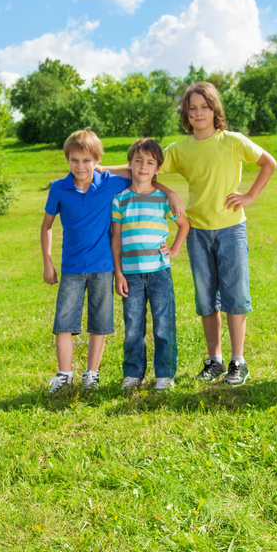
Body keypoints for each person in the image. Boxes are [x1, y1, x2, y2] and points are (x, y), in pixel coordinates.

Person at [40, 129, 182, 395]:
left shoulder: (109, 182)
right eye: (74, 160)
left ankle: (91, 375)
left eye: (87, 161)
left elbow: (141, 174)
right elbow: (46, 226)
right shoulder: (59, 188)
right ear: (67, 159)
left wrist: (169, 192)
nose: (80, 166)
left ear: (96, 161)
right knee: (64, 323)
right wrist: (48, 261)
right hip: (72, 267)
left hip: (105, 267)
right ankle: (65, 375)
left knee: (101, 323)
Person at [163, 81, 277, 386]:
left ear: (215, 109)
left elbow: (269, 162)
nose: (199, 113)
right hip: (197, 231)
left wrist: (250, 196)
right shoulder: (179, 150)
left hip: (231, 229)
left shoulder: (233, 141)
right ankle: (213, 360)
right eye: (193, 108)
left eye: (205, 106)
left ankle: (237, 360)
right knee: (205, 298)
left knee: (235, 296)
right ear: (186, 114)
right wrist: (100, 169)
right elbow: (144, 167)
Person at [110, 138, 190, 394]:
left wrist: (175, 249)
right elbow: (115, 240)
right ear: (130, 164)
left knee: (163, 325)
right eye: (138, 161)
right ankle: (133, 374)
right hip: (130, 274)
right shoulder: (120, 200)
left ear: (157, 169)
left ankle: (165, 375)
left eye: (150, 162)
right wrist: (118, 273)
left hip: (159, 272)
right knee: (133, 327)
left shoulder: (164, 200)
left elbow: (184, 225)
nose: (143, 166)